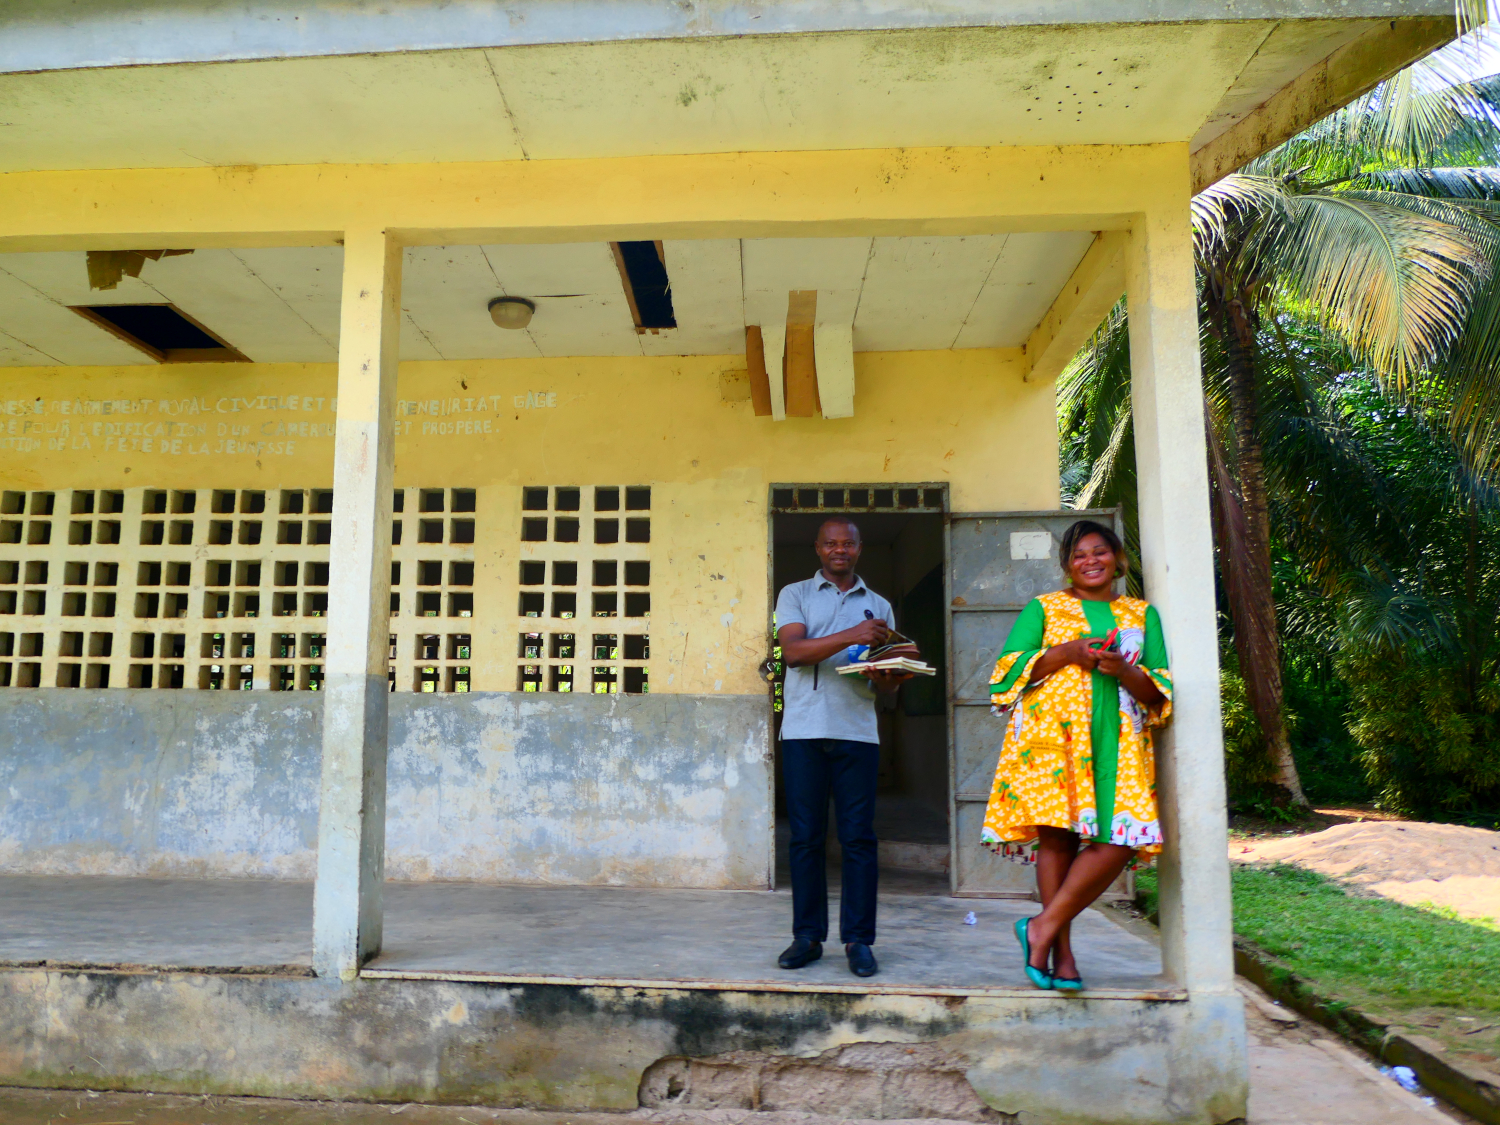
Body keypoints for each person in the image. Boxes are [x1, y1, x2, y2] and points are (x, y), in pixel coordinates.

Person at [981, 519, 1171, 990]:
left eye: (1099, 551)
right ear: (1067, 565)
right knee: (1059, 842)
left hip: (1119, 742)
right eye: (1080, 554)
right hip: (1052, 743)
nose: (1091, 561)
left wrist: (1124, 670)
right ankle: (1061, 954)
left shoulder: (1141, 615)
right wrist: (1066, 651)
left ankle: (1040, 928)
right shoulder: (1043, 609)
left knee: (1120, 840)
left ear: (1117, 558)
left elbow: (1159, 689)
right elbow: (1005, 675)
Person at [773, 516, 912, 978]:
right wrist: (854, 636)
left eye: (847, 544)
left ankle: (858, 941)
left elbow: (890, 686)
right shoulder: (794, 594)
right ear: (817, 548)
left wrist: (887, 674)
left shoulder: (879, 606)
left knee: (858, 840)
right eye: (830, 543)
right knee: (806, 839)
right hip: (804, 731)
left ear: (858, 548)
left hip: (858, 732)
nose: (839, 550)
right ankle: (807, 937)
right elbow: (793, 654)